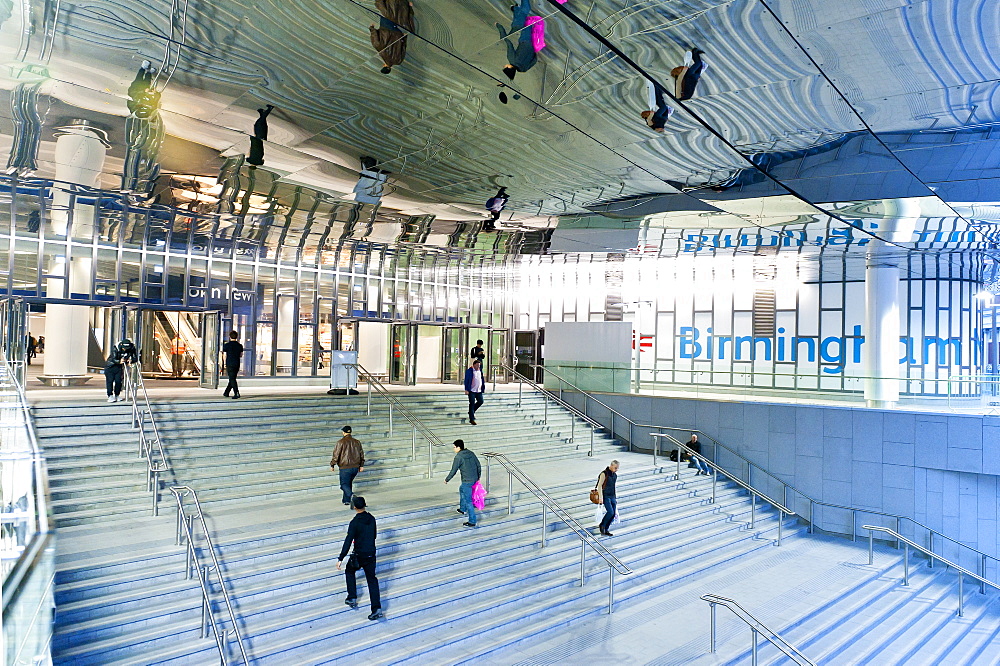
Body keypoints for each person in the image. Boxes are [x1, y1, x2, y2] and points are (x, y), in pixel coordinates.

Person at [336, 495, 383, 620]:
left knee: (349, 571)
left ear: (355, 507)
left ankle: (352, 597)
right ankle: (376, 608)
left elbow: (348, 540)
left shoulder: (354, 522)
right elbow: (374, 536)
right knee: (372, 580)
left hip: (359, 554)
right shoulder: (372, 519)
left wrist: (341, 557)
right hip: (371, 553)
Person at [369, 0, 415, 74]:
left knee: (396, 14)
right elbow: (376, 43)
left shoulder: (398, 61)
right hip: (387, 29)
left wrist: (404, 37)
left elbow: (403, 46)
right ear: (383, 66)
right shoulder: (383, 54)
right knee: (387, 11)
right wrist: (372, 29)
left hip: (398, 33)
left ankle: (405, 4)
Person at [444, 439, 481, 527]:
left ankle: (472, 521)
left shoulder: (458, 457)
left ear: (458, 447)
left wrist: (447, 479)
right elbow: (478, 465)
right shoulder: (471, 453)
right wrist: (478, 477)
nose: (454, 449)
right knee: (461, 489)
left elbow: (454, 470)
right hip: (474, 479)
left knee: (469, 501)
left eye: (454, 447)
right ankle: (462, 508)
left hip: (467, 481)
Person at [497, 0, 537, 80]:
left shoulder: (523, 69)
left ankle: (515, 9)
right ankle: (515, 8)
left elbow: (534, 60)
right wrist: (499, 26)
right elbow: (508, 44)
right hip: (523, 39)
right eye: (505, 67)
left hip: (532, 44)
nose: (504, 66)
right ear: (509, 68)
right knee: (524, 13)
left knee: (524, 20)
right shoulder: (512, 60)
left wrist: (532, 51)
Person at [331, 426, 366, 506]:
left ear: (343, 432)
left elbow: (336, 455)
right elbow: (361, 454)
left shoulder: (340, 442)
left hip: (345, 467)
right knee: (348, 483)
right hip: (355, 467)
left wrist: (332, 464)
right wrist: (361, 465)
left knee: (343, 485)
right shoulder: (357, 442)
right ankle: (346, 500)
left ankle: (352, 496)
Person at [105, 338, 139, 403]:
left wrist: (131, 360)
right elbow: (113, 358)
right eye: (124, 348)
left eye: (126, 348)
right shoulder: (116, 348)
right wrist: (119, 361)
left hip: (119, 367)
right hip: (110, 366)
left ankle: (117, 395)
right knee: (110, 381)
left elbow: (135, 358)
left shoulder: (131, 348)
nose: (125, 350)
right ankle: (110, 395)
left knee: (118, 381)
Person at [596, 460, 619, 536]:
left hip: (612, 495)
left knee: (613, 514)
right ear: (611, 466)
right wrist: (600, 497)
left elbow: (613, 487)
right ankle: (602, 525)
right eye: (615, 468)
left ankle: (606, 528)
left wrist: (615, 498)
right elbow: (599, 486)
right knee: (610, 512)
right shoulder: (604, 474)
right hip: (605, 495)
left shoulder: (614, 475)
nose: (616, 469)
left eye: (617, 468)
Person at [222, 331, 244, 399]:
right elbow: (241, 355)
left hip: (230, 363)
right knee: (232, 378)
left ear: (230, 337)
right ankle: (226, 392)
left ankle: (236, 393)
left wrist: (224, 363)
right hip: (237, 363)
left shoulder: (227, 345)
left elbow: (224, 355)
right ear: (237, 337)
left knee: (232, 378)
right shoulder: (240, 345)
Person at [463, 359, 485, 425]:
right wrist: (466, 389)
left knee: (480, 401)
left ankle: (471, 412)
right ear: (474, 365)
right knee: (472, 403)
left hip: (478, 390)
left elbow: (481, 380)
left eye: (479, 365)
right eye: (477, 365)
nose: (478, 367)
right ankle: (471, 419)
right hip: (472, 390)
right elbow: (466, 380)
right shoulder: (470, 371)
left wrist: (483, 388)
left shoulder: (480, 371)